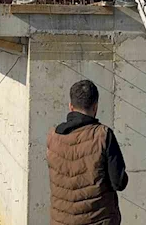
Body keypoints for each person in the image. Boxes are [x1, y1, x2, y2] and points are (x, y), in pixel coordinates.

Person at [47, 80, 129, 225]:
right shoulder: (103, 135)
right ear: (95, 107)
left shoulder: (53, 136)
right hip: (98, 220)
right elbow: (119, 183)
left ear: (70, 106)